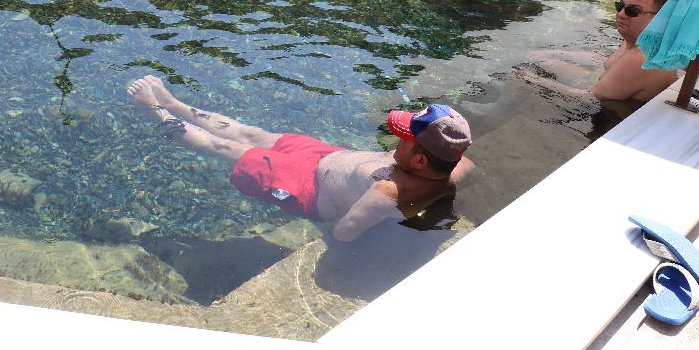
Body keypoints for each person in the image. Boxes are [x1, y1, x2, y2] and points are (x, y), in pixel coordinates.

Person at [127, 76, 473, 242]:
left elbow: (344, 233)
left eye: (405, 139)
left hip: (308, 189)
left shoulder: (386, 192)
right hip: (327, 157)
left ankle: (156, 111)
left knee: (227, 148)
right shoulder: (458, 163)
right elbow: (453, 183)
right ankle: (175, 104)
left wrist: (370, 211)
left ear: (420, 161)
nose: (397, 138)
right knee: (250, 133)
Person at [516, 0, 678, 114]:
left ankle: (504, 111)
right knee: (537, 57)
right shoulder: (638, 40)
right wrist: (555, 54)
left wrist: (530, 79)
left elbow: (588, 98)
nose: (621, 14)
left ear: (659, 20)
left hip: (611, 117)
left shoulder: (642, 59)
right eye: (620, 6)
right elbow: (604, 62)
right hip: (604, 89)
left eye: (632, 11)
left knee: (518, 75)